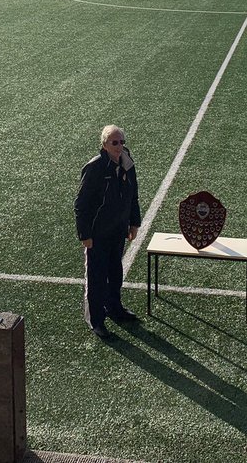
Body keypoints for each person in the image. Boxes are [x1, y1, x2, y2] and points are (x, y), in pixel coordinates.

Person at [74, 124, 141, 339]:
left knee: (115, 273)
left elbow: (133, 196)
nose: (119, 146)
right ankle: (95, 320)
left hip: (118, 230)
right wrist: (85, 235)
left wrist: (134, 223)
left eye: (122, 142)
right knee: (96, 277)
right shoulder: (95, 168)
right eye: (114, 142)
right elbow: (81, 204)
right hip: (98, 234)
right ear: (104, 144)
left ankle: (115, 309)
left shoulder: (127, 163)